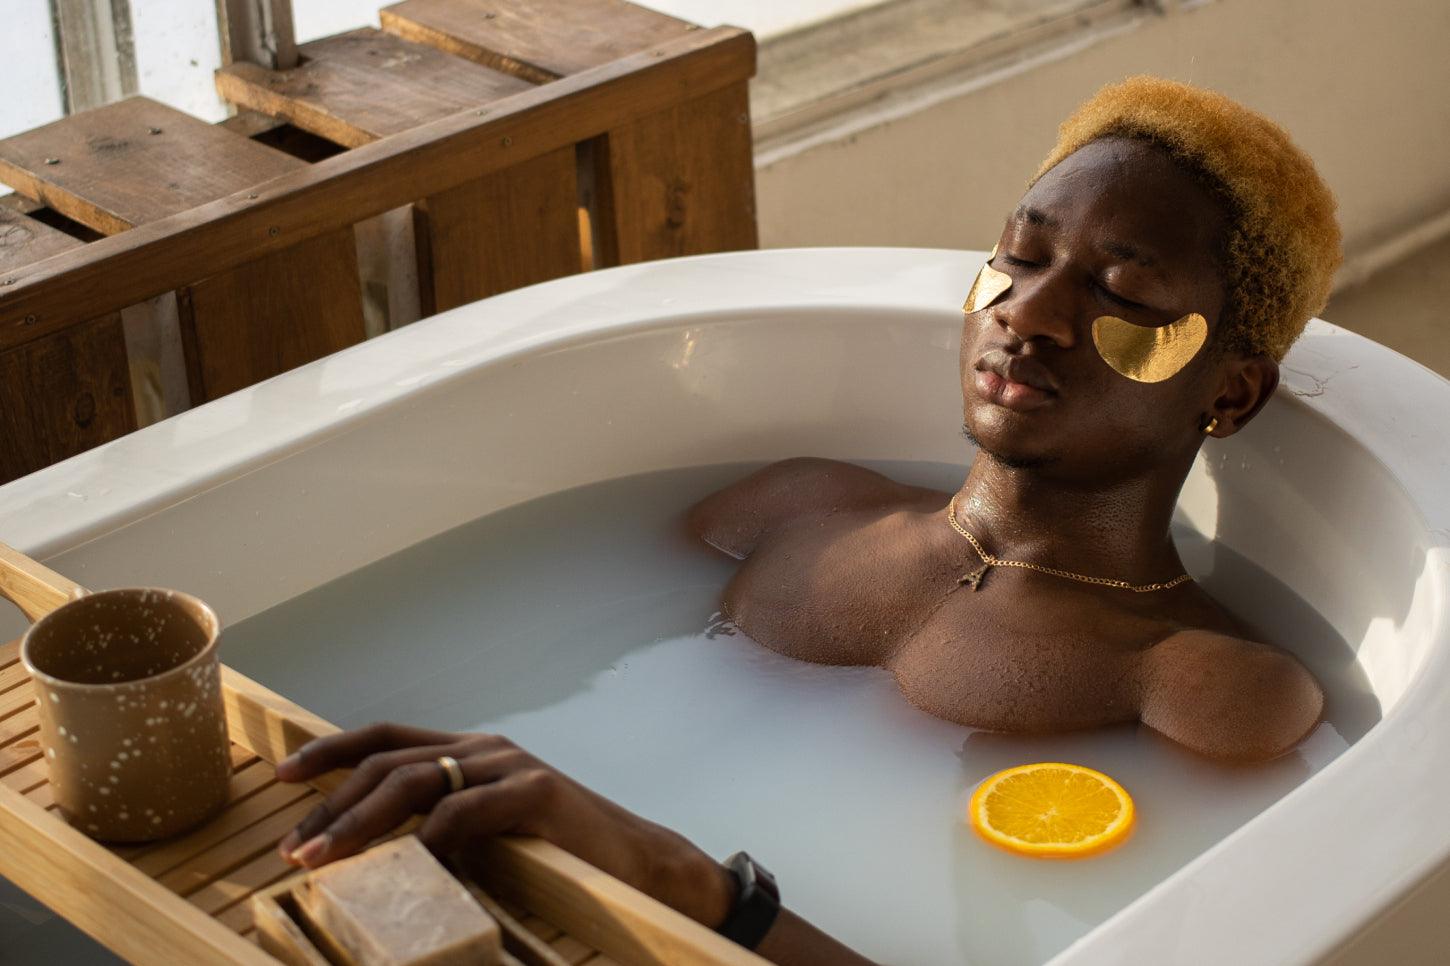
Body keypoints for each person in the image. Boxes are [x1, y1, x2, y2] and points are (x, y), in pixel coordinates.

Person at [274, 76, 1342, 964]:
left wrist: (681, 882)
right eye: (1020, 257)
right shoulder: (784, 506)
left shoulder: (1210, 694)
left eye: (1121, 294)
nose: (1029, 313)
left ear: (1228, 394)